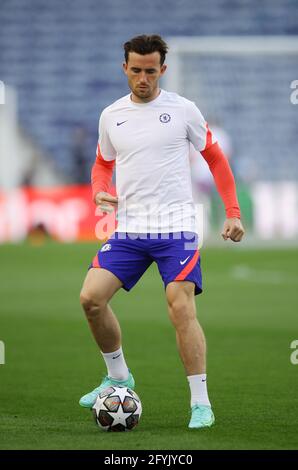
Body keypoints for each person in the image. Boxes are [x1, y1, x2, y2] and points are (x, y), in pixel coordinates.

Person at [79, 34, 245, 429]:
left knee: (180, 306)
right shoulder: (111, 115)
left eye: (150, 71)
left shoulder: (183, 109)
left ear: (162, 70)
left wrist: (233, 212)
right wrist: (99, 190)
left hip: (177, 229)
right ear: (125, 68)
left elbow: (216, 160)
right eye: (135, 70)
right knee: (90, 299)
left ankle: (200, 403)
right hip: (131, 228)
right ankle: (118, 376)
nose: (143, 78)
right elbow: (102, 164)